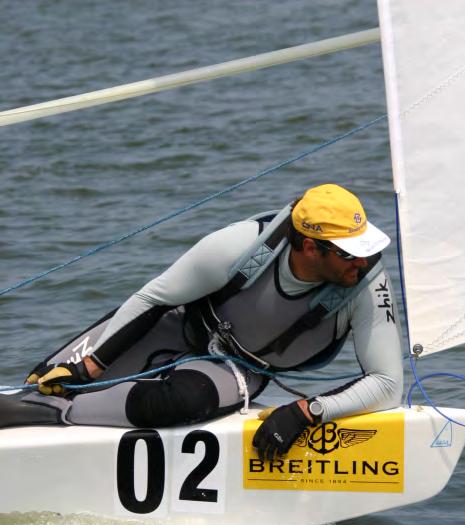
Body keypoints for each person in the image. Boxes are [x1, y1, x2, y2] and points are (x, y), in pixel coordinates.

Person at [26, 183, 404, 459]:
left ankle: (56, 416)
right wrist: (89, 368)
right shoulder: (243, 245)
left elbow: (387, 384)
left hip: (238, 371)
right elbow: (153, 299)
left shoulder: (367, 284)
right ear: (310, 248)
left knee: (177, 401)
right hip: (176, 325)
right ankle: (39, 407)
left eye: (365, 248)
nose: (363, 262)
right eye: (351, 254)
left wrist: (307, 412)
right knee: (43, 380)